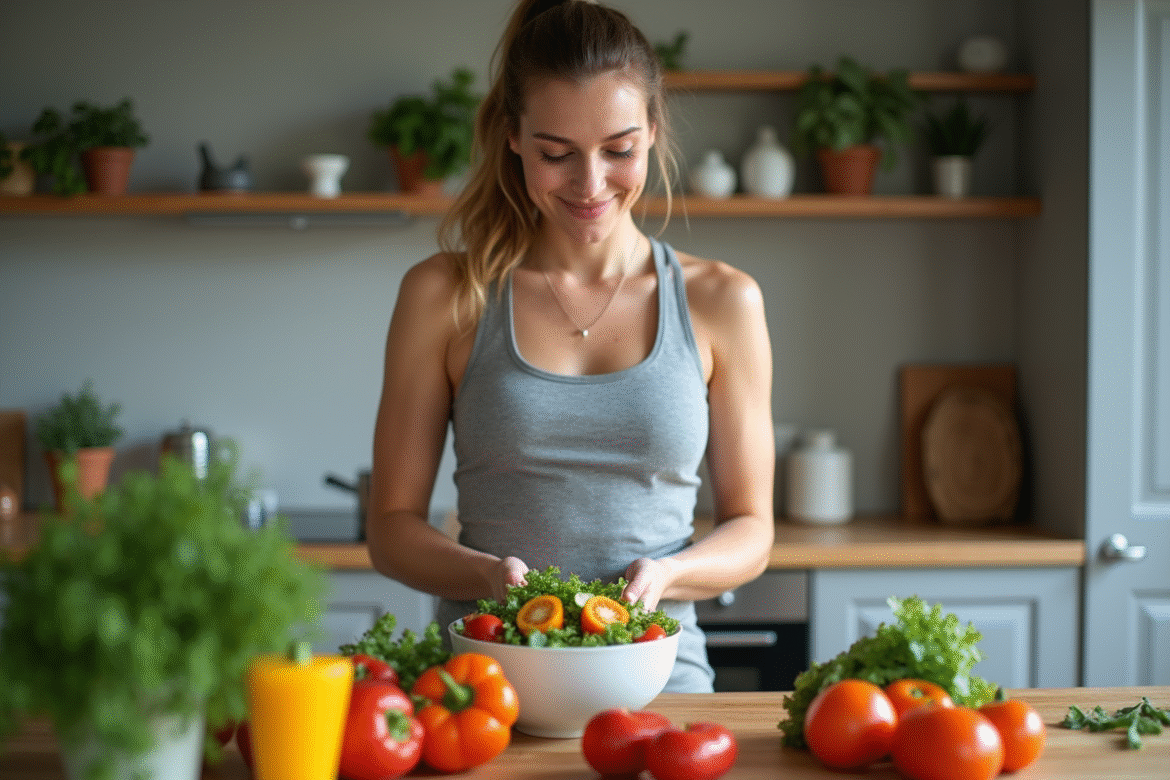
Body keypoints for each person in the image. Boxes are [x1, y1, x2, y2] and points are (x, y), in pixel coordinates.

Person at [366, 0, 774, 692]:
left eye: (619, 150)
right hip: (483, 687)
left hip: (659, 681)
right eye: (557, 154)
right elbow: (392, 528)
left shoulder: (723, 301)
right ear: (514, 137)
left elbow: (752, 527)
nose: (591, 185)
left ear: (651, 130)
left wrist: (673, 573)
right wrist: (486, 575)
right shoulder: (446, 294)